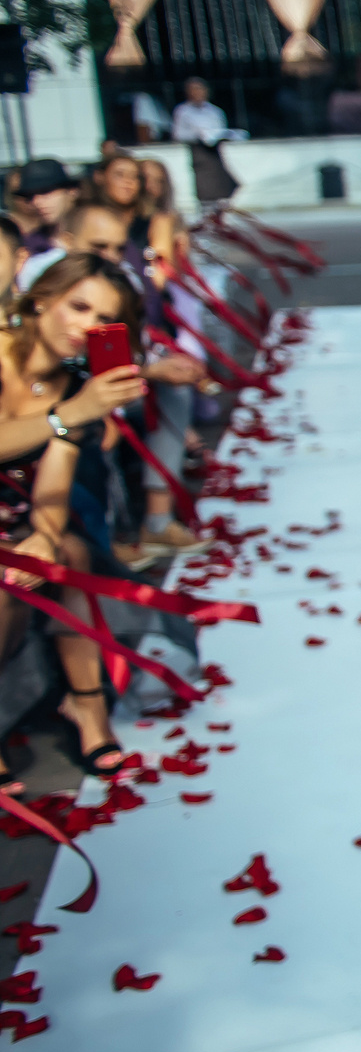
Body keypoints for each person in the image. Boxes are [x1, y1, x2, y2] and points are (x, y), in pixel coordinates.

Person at [0, 255, 155, 789]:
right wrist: (68, 415)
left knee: (70, 551)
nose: (86, 326)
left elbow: (54, 479)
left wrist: (43, 537)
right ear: (41, 299)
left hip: (16, 516)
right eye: (78, 306)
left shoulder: (74, 388)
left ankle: (87, 708)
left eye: (102, 319)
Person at [58, 202, 207, 561]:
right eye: (98, 247)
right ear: (67, 241)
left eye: (117, 247)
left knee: (172, 392)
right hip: (60, 400)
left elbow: (124, 348)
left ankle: (156, 522)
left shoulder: (119, 277)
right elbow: (67, 367)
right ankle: (104, 541)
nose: (110, 256)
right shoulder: (51, 280)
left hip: (99, 388)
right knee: (92, 429)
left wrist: (156, 366)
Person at [170, 78, 239, 205]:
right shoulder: (182, 111)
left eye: (200, 89)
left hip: (216, 153)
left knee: (223, 188)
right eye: (194, 90)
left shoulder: (215, 111)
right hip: (199, 152)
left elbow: (221, 129)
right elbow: (178, 134)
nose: (198, 93)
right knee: (206, 189)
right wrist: (197, 135)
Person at [13, 161, 78, 258]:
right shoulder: (29, 247)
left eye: (45, 191)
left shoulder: (97, 231)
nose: (36, 202)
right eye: (29, 196)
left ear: (72, 191)